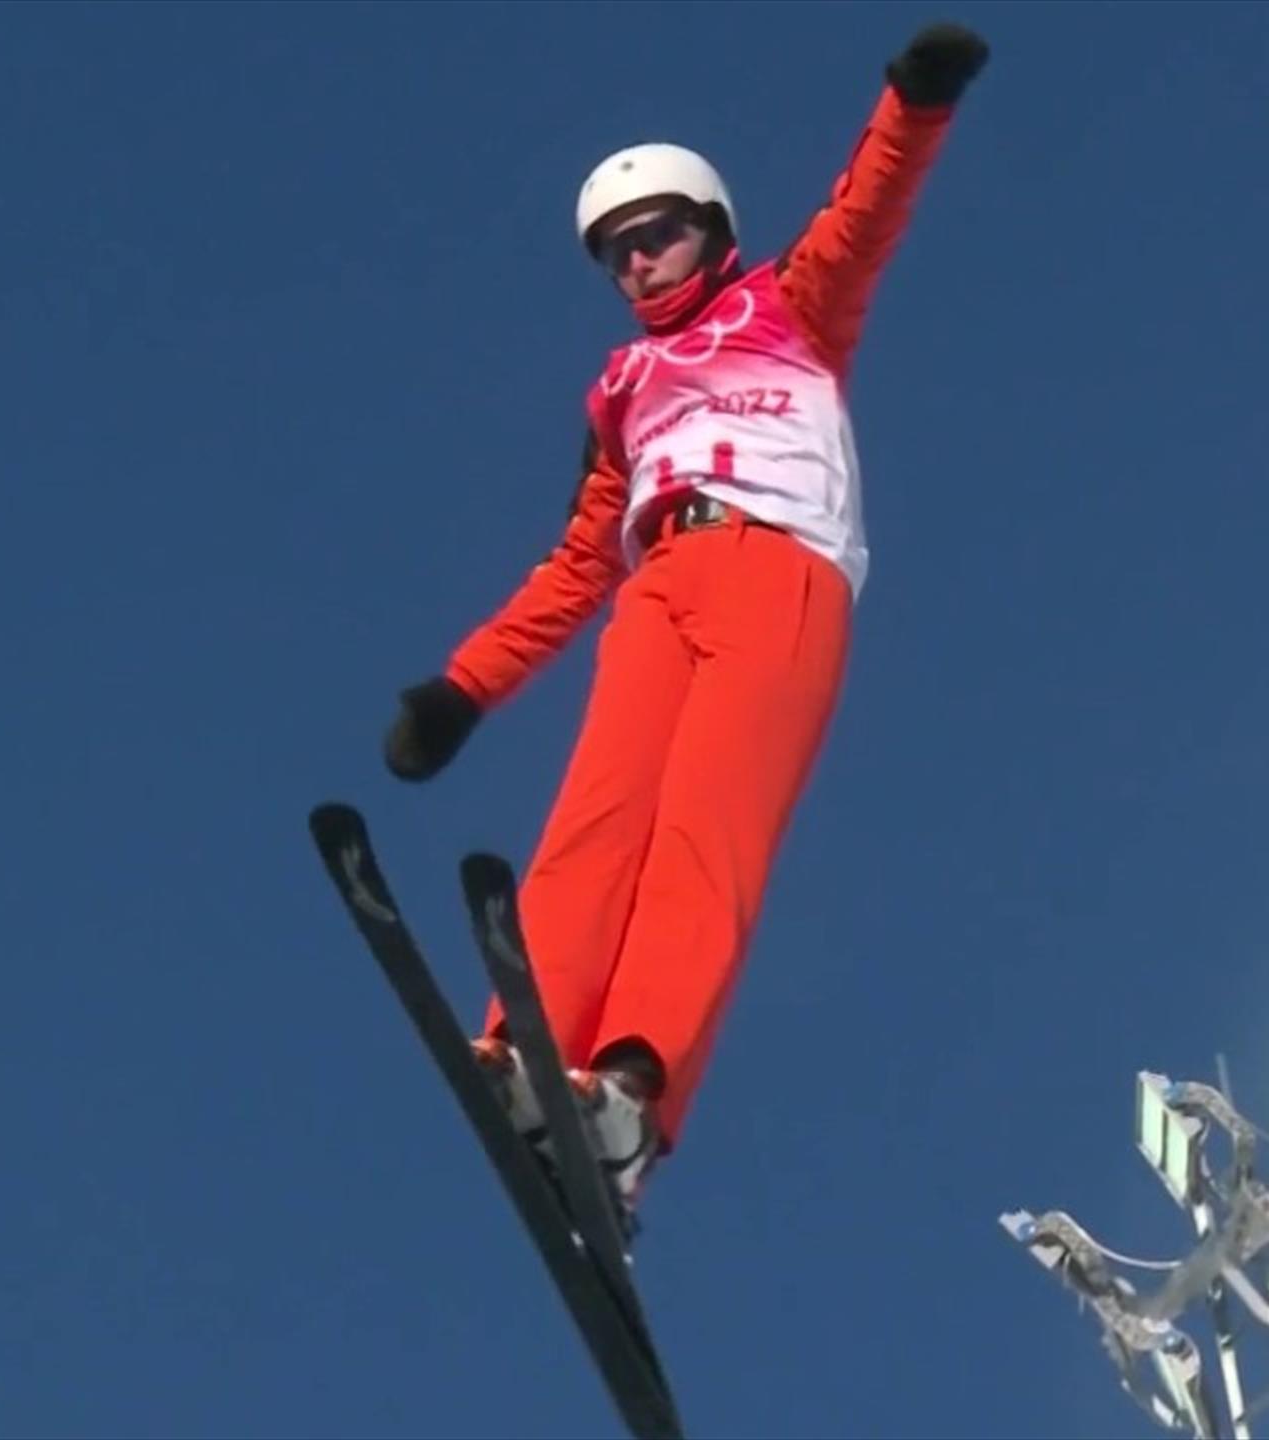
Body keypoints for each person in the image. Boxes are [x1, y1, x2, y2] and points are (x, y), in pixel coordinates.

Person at [381, 21, 990, 1216]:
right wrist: (462, 690)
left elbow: (864, 215)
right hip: (660, 582)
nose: (638, 265)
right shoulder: (620, 392)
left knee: (704, 835)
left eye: (654, 236)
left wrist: (911, 105)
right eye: (615, 253)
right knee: (596, 818)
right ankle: (526, 1049)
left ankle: (629, 1096)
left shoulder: (789, 305)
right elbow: (574, 562)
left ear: (709, 229)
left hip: (778, 569)